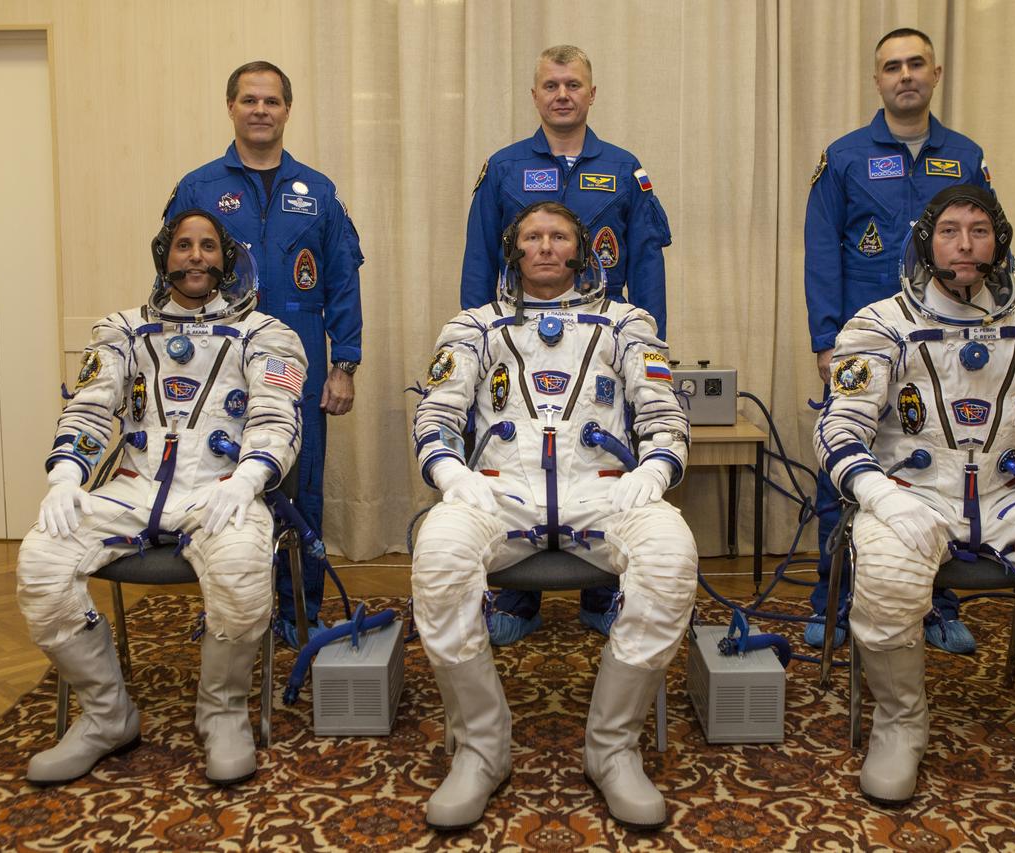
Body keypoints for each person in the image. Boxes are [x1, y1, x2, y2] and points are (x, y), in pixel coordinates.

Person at [814, 185, 1015, 808]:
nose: (965, 245)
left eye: (979, 230)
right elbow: (837, 427)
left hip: (1005, 496)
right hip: (915, 496)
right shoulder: (881, 325)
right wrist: (880, 496)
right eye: (949, 231)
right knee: (885, 575)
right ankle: (902, 724)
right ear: (925, 244)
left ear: (1001, 242)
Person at [411, 202, 696, 830]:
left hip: (604, 493)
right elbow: (435, 418)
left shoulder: (628, 324)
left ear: (581, 250)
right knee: (437, 559)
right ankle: (484, 749)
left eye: (559, 236)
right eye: (532, 237)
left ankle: (613, 748)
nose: (545, 246)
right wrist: (452, 475)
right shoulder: (474, 327)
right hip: (499, 492)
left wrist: (651, 473)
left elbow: (665, 419)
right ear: (514, 250)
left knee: (672, 560)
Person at [16, 210, 307, 786]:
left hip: (220, 489)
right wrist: (66, 476)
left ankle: (221, 713)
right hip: (134, 484)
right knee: (40, 562)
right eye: (182, 246)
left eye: (206, 246)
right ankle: (106, 716)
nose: (195, 256)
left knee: (244, 575)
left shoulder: (267, 334)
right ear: (164, 256)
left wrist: (250, 479)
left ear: (225, 261)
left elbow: (278, 415)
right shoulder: (120, 331)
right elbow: (93, 405)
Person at [461, 44, 673, 647]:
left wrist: (650, 344)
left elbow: (647, 263)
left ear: (591, 93)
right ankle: (517, 596)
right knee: (519, 456)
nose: (562, 94)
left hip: (600, 350)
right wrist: (478, 343)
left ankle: (602, 593)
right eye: (551, 84)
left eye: (573, 84)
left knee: (603, 453)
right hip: (519, 346)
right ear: (535, 95)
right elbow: (480, 260)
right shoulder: (503, 169)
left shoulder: (625, 168)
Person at [804, 27, 993, 654]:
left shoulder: (964, 156)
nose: (905, 75)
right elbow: (820, 250)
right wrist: (826, 341)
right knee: (845, 463)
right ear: (878, 80)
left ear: (935, 75)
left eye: (916, 64)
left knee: (942, 465)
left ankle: (937, 603)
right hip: (864, 342)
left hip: (945, 343)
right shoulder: (847, 157)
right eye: (892, 67)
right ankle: (830, 599)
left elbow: (985, 248)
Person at [165, 60, 363, 648]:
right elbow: (174, 271)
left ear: (286, 111)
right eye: (249, 100)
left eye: (271, 101)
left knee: (300, 490)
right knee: (221, 483)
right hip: (215, 366)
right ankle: (228, 603)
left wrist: (344, 363)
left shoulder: (318, 192)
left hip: (295, 365)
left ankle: (296, 610)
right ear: (231, 107)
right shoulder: (198, 189)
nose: (260, 110)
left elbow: (343, 281)